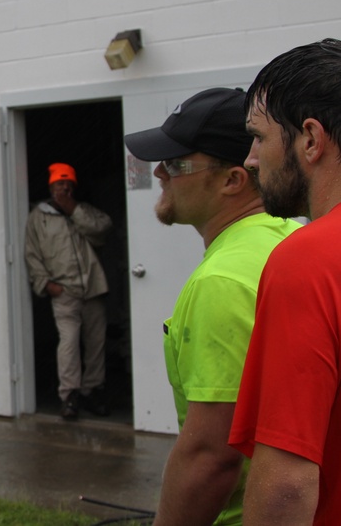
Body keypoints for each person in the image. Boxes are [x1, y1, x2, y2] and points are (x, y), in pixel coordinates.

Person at [124, 87, 299, 526]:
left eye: (177, 163)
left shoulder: (221, 281)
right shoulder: (292, 240)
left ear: (233, 180)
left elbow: (213, 457)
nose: (160, 172)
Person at [228, 39, 341, 526]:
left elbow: (287, 485)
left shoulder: (309, 259)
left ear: (310, 140)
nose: (251, 159)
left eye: (259, 137)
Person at [24, 162, 112, 419]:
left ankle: (92, 391)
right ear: (51, 186)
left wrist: (72, 209)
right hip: (64, 291)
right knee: (69, 343)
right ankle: (70, 395)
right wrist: (46, 285)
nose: (63, 187)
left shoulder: (82, 211)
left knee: (96, 343)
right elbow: (32, 255)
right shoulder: (38, 216)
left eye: (68, 184)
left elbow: (103, 230)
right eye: (59, 183)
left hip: (93, 288)